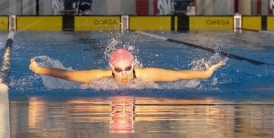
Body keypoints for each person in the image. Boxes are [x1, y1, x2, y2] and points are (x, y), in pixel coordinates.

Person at [29, 48, 225, 85]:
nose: (124, 75)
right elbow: (69, 76)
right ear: (112, 68)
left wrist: (205, 74)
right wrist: (39, 69)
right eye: (119, 70)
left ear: (133, 66)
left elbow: (179, 76)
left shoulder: (146, 76)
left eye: (127, 69)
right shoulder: (101, 77)